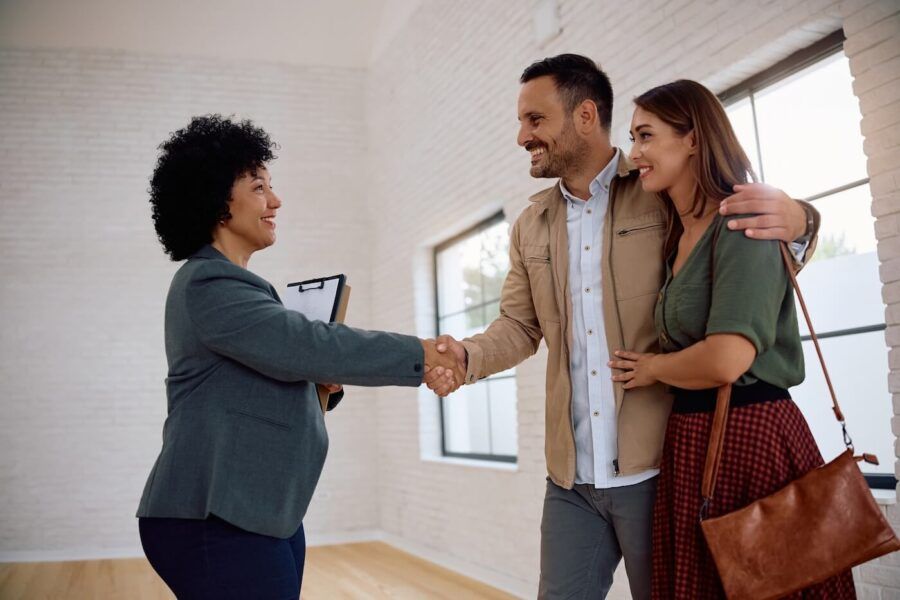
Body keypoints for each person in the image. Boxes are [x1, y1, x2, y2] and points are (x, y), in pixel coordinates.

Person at [424, 55, 818, 599]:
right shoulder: (531, 224)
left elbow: (731, 235)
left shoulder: (659, 191)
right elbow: (518, 324)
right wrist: (466, 358)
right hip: (572, 476)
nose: (522, 136)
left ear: (585, 115)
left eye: (534, 120)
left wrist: (802, 220)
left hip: (659, 465)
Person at [136, 115, 460, 599]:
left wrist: (319, 387)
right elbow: (311, 345)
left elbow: (266, 386)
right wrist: (424, 352)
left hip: (259, 511)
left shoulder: (239, 287)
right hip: (210, 515)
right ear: (217, 202)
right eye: (259, 186)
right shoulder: (209, 284)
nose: (276, 200)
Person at [608, 79, 855, 599]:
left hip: (751, 438)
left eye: (646, 136)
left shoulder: (745, 219)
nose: (635, 154)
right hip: (694, 440)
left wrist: (651, 369)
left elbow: (727, 358)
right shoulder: (678, 234)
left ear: (693, 139)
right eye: (632, 139)